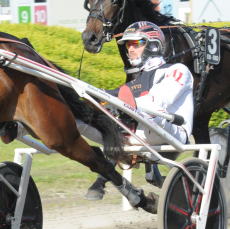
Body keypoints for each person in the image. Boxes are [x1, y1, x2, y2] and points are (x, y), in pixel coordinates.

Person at [81, 21, 194, 205]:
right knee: (77, 121)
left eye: (136, 43)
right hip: (134, 136)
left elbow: (157, 101)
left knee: (151, 108)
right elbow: (117, 97)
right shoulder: (134, 83)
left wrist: (114, 101)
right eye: (128, 45)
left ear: (154, 45)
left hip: (171, 133)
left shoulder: (177, 70)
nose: (130, 49)